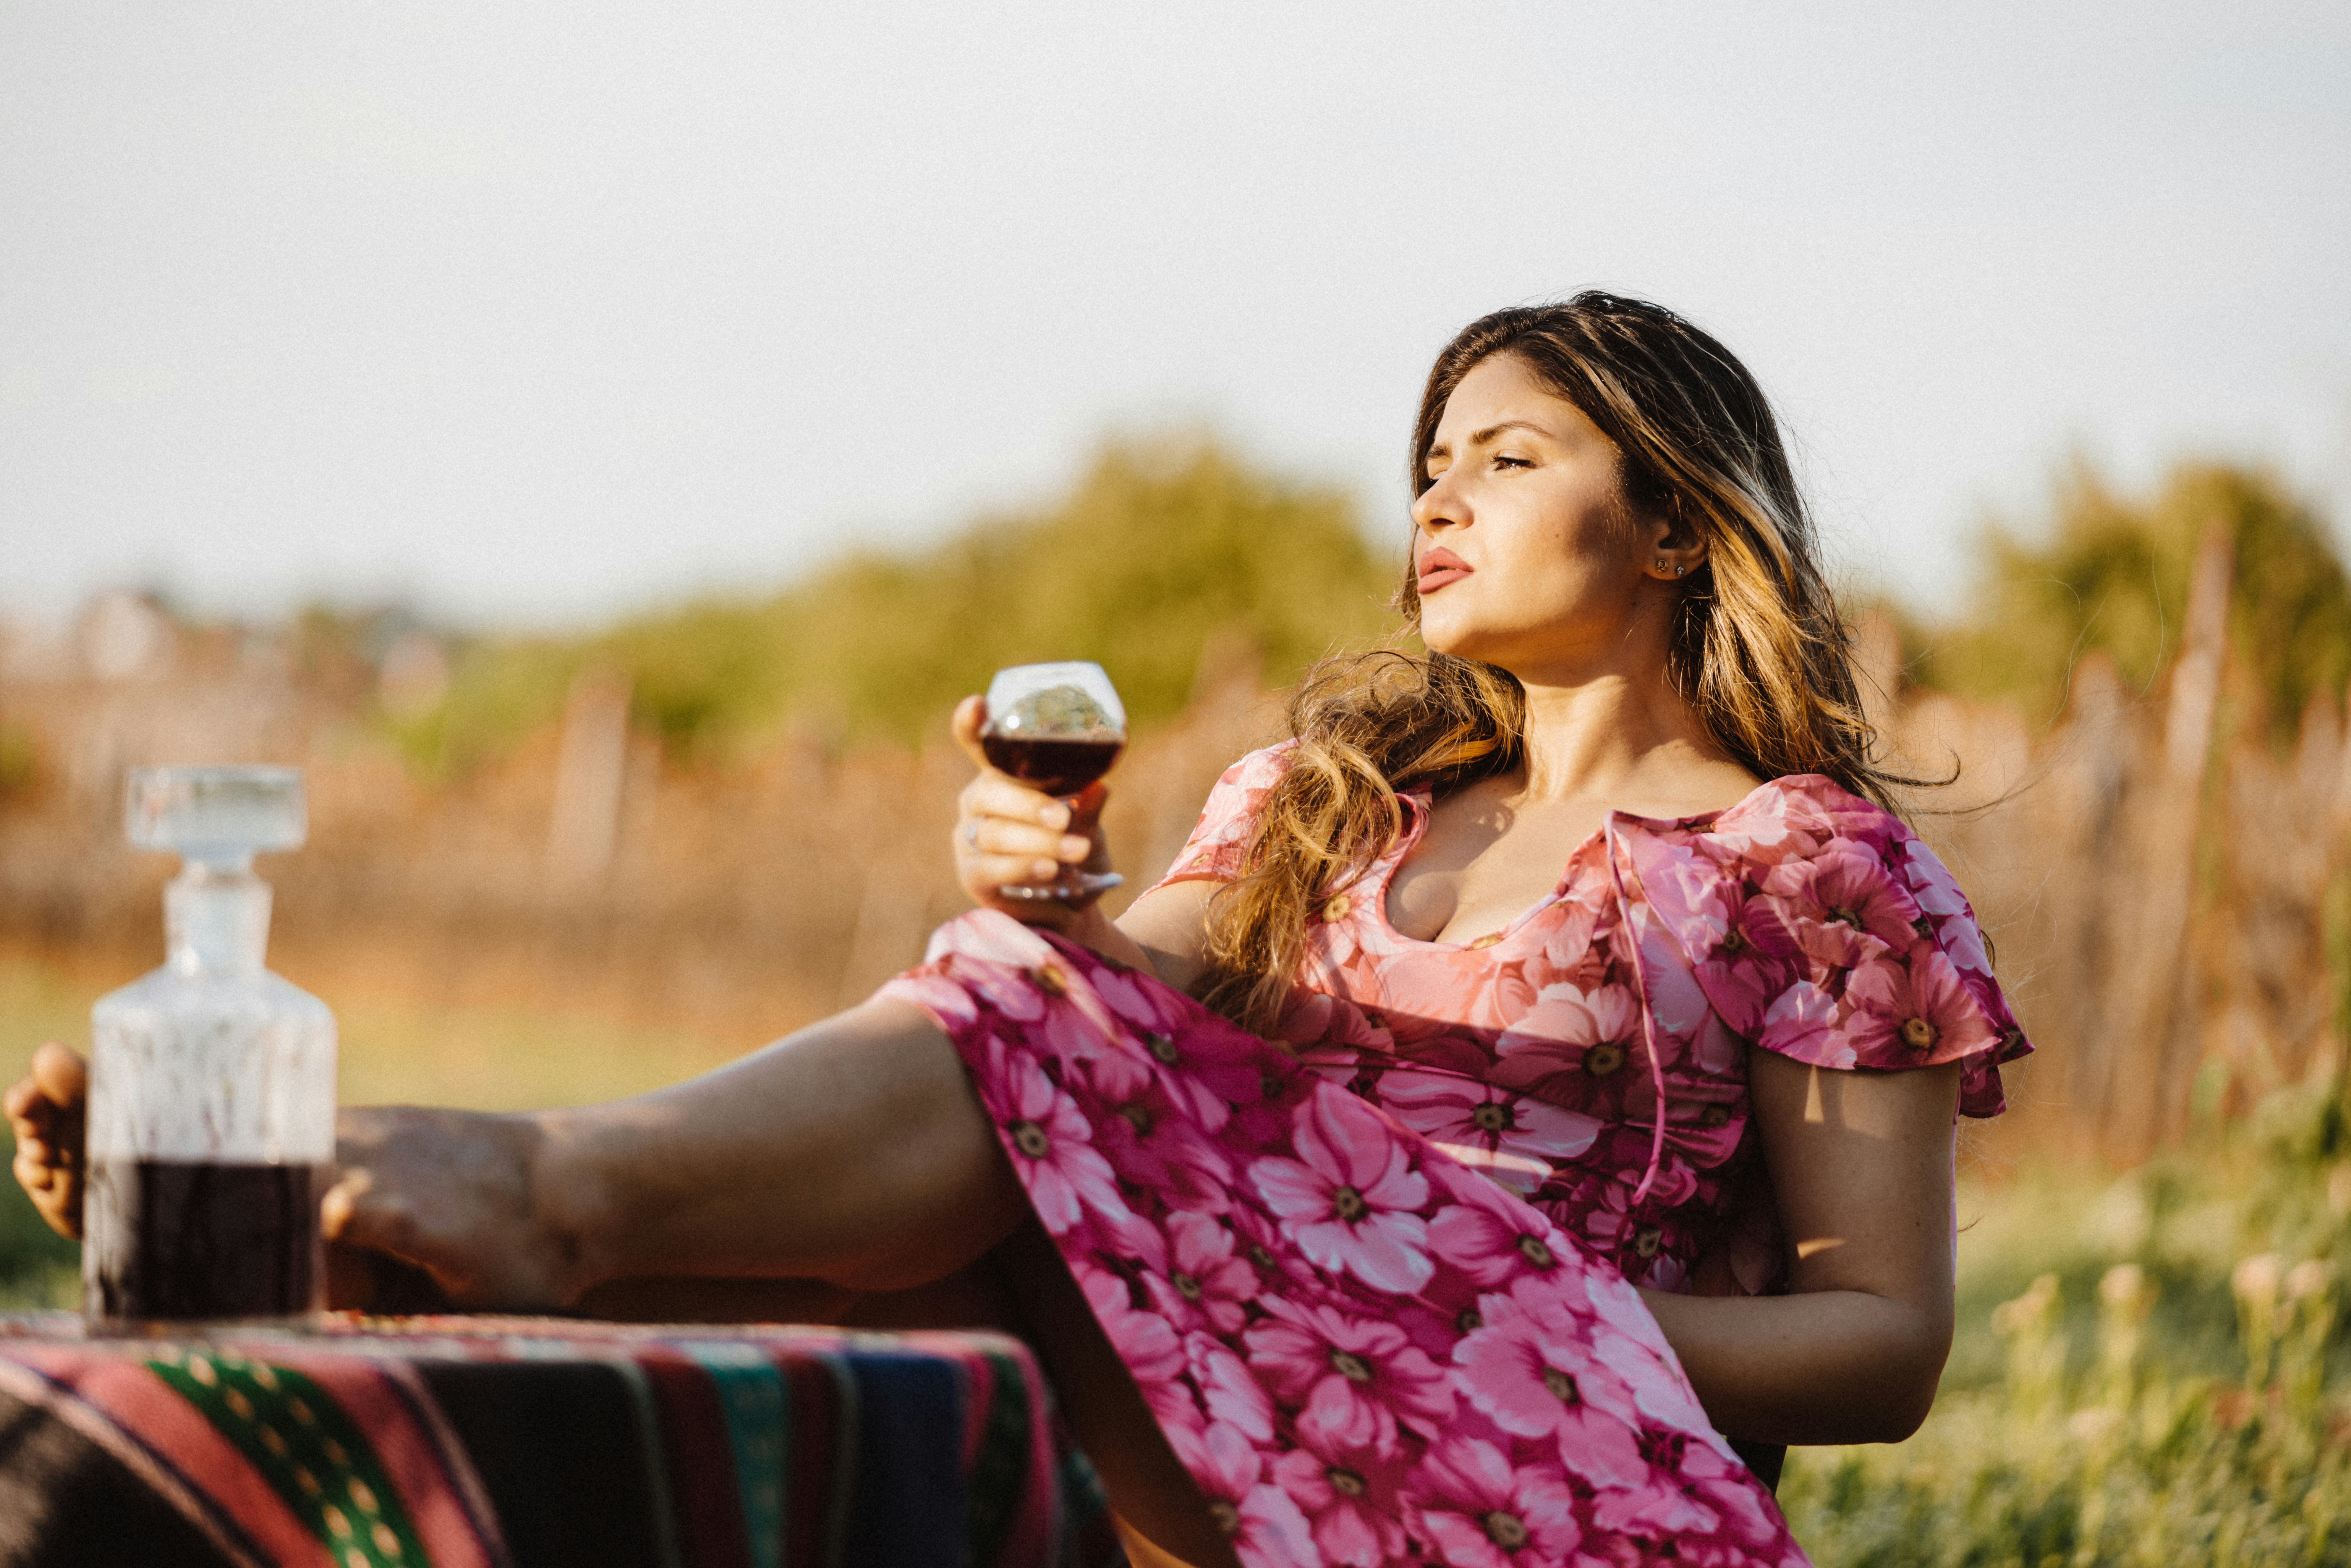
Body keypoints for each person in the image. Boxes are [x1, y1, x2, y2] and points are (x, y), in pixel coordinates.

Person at [10, 293, 2029, 1568]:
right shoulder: (1323, 802)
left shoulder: (1800, 863)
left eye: (1509, 458)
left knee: (1019, 1069)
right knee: (1018, 1023)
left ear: (1677, 520)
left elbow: (1885, 1348)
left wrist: (1457, 1294)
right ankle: (421, 1285)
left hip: (1538, 1464)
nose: (1442, 501)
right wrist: (1045, 891)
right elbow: (1090, 1033)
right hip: (1196, 1361)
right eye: (1429, 465)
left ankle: (511, 1198)